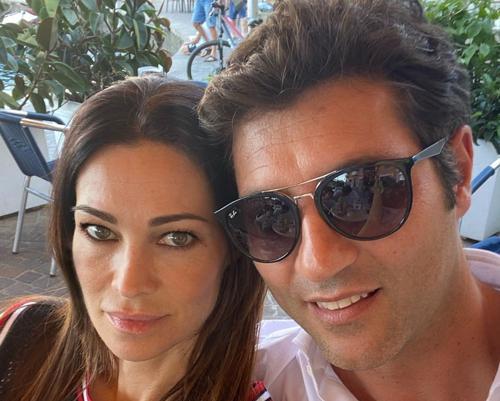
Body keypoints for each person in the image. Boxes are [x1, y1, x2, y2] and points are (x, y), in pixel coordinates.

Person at [198, 0, 500, 400]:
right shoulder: (240, 385)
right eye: (269, 216)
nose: (318, 262)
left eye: (363, 191)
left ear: (459, 172)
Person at [0, 77, 270, 401]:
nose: (128, 284)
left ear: (233, 247)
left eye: (176, 238)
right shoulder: (19, 337)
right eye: (99, 231)